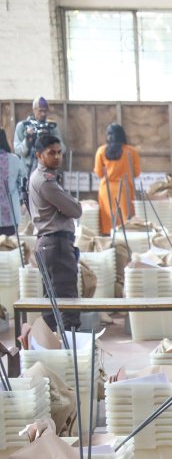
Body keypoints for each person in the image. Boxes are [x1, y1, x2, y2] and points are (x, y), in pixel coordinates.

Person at [28, 134, 82, 331]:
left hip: (48, 243)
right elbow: (76, 210)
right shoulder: (45, 182)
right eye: (51, 153)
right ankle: (72, 351)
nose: (57, 157)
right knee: (67, 302)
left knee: (52, 302)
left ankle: (50, 347)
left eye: (59, 152)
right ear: (39, 155)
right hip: (56, 244)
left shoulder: (41, 178)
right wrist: (72, 205)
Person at [93, 124, 140, 236]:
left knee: (108, 224)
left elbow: (99, 173)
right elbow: (137, 173)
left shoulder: (101, 151)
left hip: (106, 191)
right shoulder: (131, 151)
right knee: (126, 225)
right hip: (125, 190)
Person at [14, 98, 65, 164]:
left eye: (45, 111)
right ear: (34, 110)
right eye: (40, 111)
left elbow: (62, 149)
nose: (43, 114)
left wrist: (50, 139)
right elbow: (18, 151)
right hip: (28, 169)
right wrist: (28, 140)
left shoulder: (52, 127)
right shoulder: (23, 126)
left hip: (47, 167)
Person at [0, 129, 27, 236]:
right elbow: (24, 181)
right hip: (11, 214)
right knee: (9, 247)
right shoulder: (14, 160)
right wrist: (21, 199)